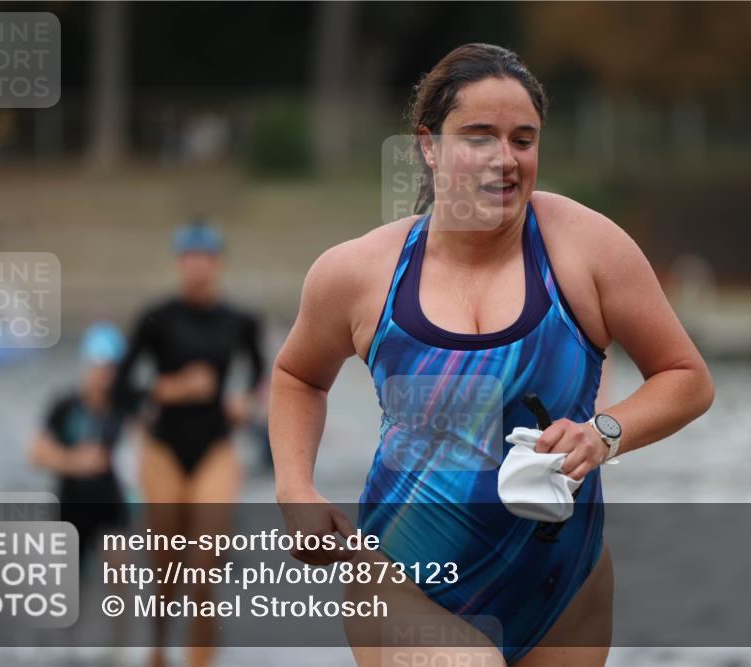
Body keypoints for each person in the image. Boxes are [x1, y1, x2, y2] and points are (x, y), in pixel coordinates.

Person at [270, 43, 715, 667]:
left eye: (523, 139)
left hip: (564, 586)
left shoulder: (588, 249)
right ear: (429, 146)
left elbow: (687, 378)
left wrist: (603, 434)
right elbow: (296, 376)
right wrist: (296, 488)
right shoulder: (359, 273)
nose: (505, 159)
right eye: (479, 136)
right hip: (402, 577)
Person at [109, 219, 266, 667]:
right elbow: (120, 388)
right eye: (190, 259)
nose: (198, 268)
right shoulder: (157, 318)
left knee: (204, 562)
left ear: (217, 264)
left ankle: (202, 659)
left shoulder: (240, 321)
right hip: (163, 448)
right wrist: (169, 389)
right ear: (180, 264)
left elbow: (259, 374)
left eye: (206, 259)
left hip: (216, 447)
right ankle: (158, 649)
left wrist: (244, 400)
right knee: (166, 564)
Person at [28, 322, 130, 566]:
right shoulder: (65, 406)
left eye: (110, 369)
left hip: (109, 500)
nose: (104, 375)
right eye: (99, 367)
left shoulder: (122, 406)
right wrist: (74, 461)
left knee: (119, 573)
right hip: (71, 501)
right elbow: (36, 453)